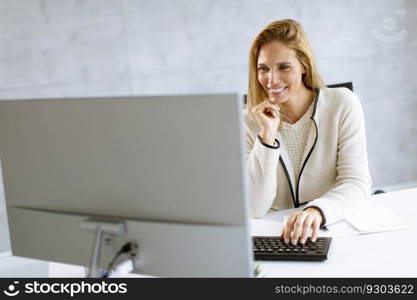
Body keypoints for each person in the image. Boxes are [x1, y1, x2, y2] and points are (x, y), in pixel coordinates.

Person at [244, 19, 371, 245]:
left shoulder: (342, 104)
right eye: (263, 68)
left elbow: (356, 183)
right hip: (277, 237)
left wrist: (315, 212)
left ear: (304, 65)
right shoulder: (249, 120)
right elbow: (254, 206)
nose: (271, 80)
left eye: (284, 67)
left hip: (331, 227)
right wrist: (266, 136)